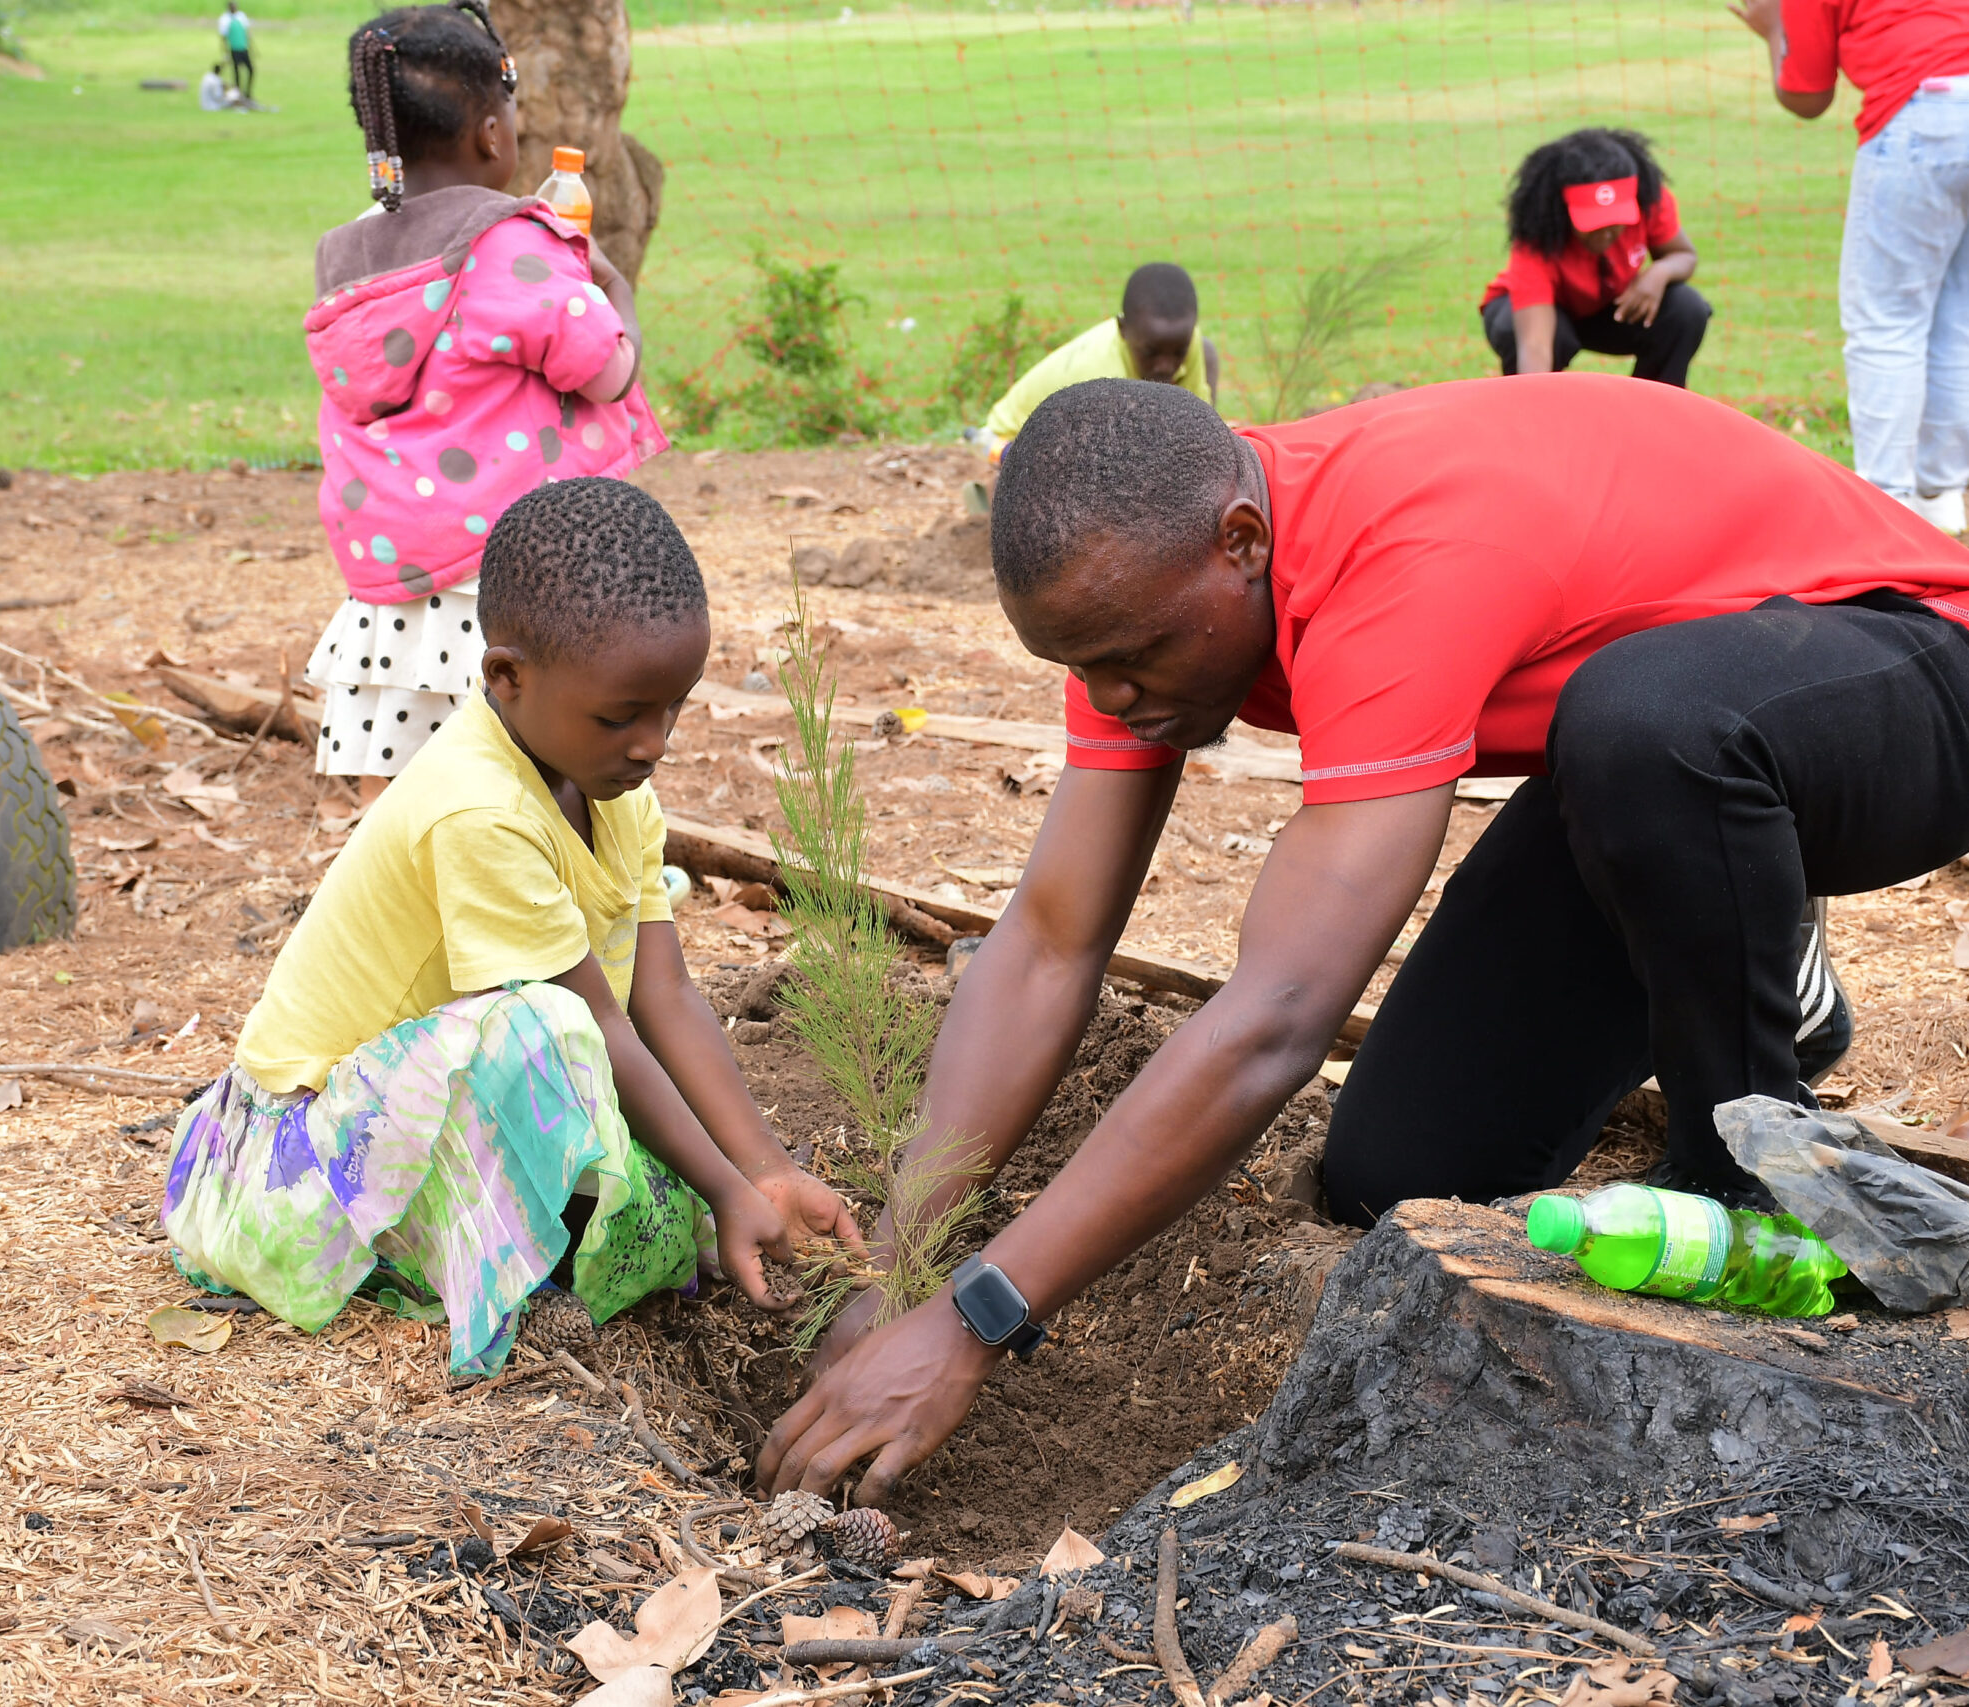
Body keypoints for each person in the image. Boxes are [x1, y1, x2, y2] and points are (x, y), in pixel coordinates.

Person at [759, 376, 1969, 1501]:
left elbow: (1277, 1012)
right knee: (1401, 1174)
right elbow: (1047, 942)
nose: (1112, 697)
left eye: (1134, 658)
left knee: (1642, 723)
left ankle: (1743, 1156)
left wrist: (977, 1321)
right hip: (1653, 761)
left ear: (1242, 543)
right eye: (1080, 666)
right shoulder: (1138, 585)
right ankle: (1763, 963)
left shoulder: (1401, 556)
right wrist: (904, 1256)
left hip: (1922, 675)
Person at [164, 478, 862, 1374]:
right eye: (622, 716)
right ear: (505, 676)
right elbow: (597, 1029)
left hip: (408, 1122)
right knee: (553, 1032)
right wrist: (724, 1189)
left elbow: (665, 996)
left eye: (673, 708)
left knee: (649, 1146)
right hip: (303, 1164)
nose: (654, 742)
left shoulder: (615, 790)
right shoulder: (479, 808)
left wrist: (761, 1170)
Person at [304, 1, 662, 801]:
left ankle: (392, 910)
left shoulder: (347, 256)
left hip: (393, 575)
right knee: (540, 773)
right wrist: (614, 290)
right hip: (510, 570)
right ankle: (552, 903)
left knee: (394, 784)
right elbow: (604, 370)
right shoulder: (512, 244)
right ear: (494, 136)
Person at [1732, 0, 1969, 536]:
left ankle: (1885, 509)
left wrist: (1772, 28)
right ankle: (1941, 498)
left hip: (1937, 107)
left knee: (1886, 319)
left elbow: (1806, 96)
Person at [1479, 127, 1708, 388]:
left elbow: (1683, 255)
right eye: (1592, 223)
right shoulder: (1538, 235)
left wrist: (1658, 274)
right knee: (1524, 334)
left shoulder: (1650, 200)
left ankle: (1654, 414)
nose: (1606, 234)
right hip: (1540, 316)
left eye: (1616, 221)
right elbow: (1536, 345)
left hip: (1611, 307)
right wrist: (1535, 404)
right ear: (1564, 210)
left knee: (1686, 308)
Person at [974, 263, 1219, 458]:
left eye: (1179, 352)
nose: (1166, 366)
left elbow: (1197, 425)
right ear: (1122, 329)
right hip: (1012, 443)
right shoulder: (1103, 379)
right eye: (1150, 353)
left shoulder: (1188, 341)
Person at [219, 1, 256, 97]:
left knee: (251, 69)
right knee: (236, 71)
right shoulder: (225, 19)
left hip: (243, 47)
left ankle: (247, 91)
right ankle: (238, 92)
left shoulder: (241, 16)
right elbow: (223, 36)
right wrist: (226, 52)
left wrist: (251, 47)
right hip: (234, 48)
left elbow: (247, 32)